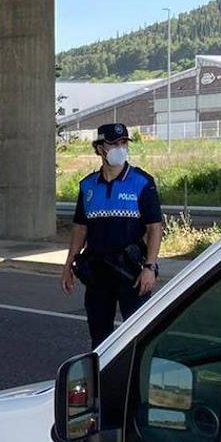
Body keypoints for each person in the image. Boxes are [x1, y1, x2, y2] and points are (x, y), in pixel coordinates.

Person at [62, 123, 163, 348]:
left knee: (139, 336)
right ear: (99, 148)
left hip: (132, 272)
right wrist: (68, 264)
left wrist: (150, 267)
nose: (120, 148)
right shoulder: (87, 186)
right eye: (113, 143)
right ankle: (102, 380)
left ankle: (135, 380)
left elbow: (155, 228)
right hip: (98, 273)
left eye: (124, 143)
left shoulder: (142, 182)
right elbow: (80, 228)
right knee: (99, 339)